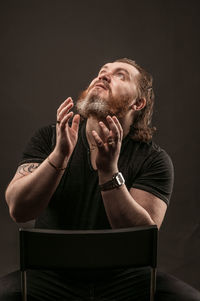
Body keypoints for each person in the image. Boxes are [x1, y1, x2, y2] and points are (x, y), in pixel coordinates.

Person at [1, 58, 200, 300]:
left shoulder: (154, 160)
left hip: (127, 280)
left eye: (120, 75)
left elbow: (141, 238)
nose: (103, 76)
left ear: (138, 103)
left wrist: (109, 172)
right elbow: (19, 209)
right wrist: (59, 156)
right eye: (102, 72)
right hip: (48, 276)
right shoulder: (49, 139)